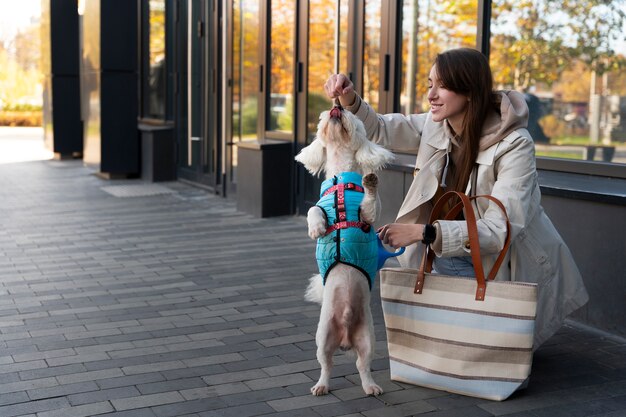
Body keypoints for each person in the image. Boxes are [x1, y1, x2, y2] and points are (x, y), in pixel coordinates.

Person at [324, 47, 588, 349]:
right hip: (449, 251)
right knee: (449, 332)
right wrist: (349, 99)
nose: (431, 95)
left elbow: (500, 228)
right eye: (428, 84)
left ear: (470, 91)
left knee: (483, 348)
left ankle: (480, 350)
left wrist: (423, 232)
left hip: (499, 258)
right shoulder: (437, 125)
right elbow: (381, 129)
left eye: (442, 85)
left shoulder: (515, 144)